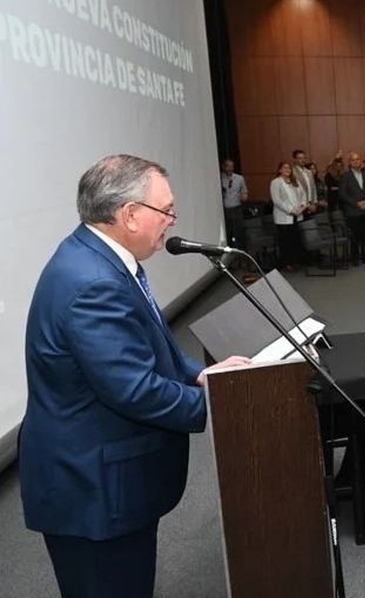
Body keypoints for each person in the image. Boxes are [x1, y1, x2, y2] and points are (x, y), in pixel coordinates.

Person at [19, 154, 250, 598]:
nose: (172, 220)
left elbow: (150, 345)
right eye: (166, 210)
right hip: (95, 491)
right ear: (129, 214)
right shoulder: (94, 283)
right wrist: (230, 399)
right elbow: (136, 390)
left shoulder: (100, 259)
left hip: (102, 478)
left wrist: (204, 375)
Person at [339, 151, 365, 265]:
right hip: (353, 211)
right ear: (350, 163)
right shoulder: (345, 176)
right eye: (353, 160)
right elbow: (342, 194)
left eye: (358, 159)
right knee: (355, 236)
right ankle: (355, 258)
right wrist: (356, 203)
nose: (356, 162)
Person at [270, 160, 307, 271]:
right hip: (284, 217)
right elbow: (277, 200)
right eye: (285, 168)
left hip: (297, 215)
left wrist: (302, 206)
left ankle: (295, 261)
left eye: (289, 168)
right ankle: (287, 263)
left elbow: (303, 195)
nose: (288, 170)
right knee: (285, 241)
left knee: (295, 239)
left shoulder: (295, 181)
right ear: (280, 170)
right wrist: (291, 210)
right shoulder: (276, 182)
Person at [220, 158, 248, 249]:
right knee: (228, 232)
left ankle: (241, 253)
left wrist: (244, 196)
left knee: (239, 232)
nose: (230, 169)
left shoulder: (239, 178)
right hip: (225, 209)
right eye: (228, 166)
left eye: (232, 166)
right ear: (223, 167)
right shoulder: (219, 178)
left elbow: (244, 191)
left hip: (236, 208)